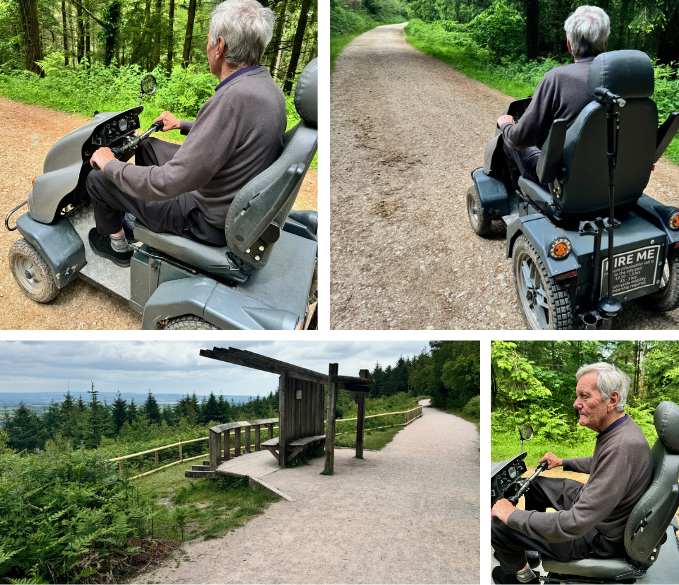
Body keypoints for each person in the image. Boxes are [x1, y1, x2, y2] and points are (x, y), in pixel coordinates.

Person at [86, 0, 286, 267]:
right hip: (227, 197)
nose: (207, 47)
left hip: (204, 217)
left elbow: (169, 182)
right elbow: (234, 135)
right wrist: (181, 123)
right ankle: (147, 216)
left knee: (98, 179)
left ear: (220, 47)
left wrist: (110, 165)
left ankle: (118, 245)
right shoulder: (265, 88)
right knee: (148, 147)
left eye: (209, 41)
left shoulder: (233, 98)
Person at [491, 363, 653, 584]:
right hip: (602, 511)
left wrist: (512, 515)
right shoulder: (622, 430)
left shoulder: (622, 446)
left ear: (612, 400)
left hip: (596, 536)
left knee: (499, 526)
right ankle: (530, 544)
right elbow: (601, 463)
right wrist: (562, 462)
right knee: (534, 485)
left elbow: (575, 523)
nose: (576, 404)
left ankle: (523, 576)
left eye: (584, 396)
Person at [497, 5, 610, 183]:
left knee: (510, 140)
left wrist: (507, 126)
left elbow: (521, 138)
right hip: (612, 174)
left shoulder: (557, 79)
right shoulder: (627, 83)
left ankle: (521, 200)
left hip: (564, 181)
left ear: (569, 44)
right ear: (605, 43)